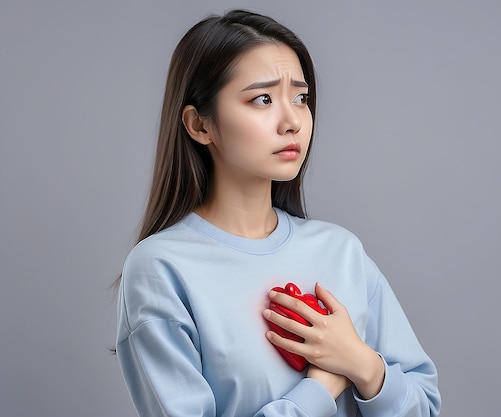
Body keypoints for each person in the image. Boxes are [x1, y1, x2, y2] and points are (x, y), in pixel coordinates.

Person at [115, 9, 441, 417]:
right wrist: (318, 391)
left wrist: (362, 364)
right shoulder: (160, 269)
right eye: (263, 99)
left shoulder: (341, 251)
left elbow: (424, 407)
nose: (292, 122)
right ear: (200, 125)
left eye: (300, 98)